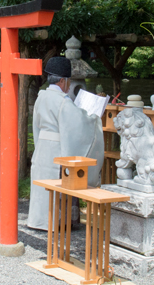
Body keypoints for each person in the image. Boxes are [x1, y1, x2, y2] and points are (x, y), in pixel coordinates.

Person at [27, 56, 105, 231]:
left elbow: (36, 126)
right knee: (56, 184)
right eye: (68, 81)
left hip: (42, 148)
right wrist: (93, 119)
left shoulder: (42, 97)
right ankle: (55, 222)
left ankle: (38, 221)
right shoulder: (62, 101)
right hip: (56, 149)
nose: (69, 85)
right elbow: (76, 126)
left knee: (41, 186)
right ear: (62, 81)